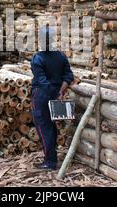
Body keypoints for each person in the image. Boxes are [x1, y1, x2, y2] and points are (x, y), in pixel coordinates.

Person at [30, 26, 74, 170]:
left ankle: (50, 162)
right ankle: (51, 157)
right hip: (57, 93)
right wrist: (60, 91)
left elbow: (42, 81)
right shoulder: (61, 56)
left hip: (41, 96)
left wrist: (54, 93)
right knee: (51, 127)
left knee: (44, 127)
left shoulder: (38, 58)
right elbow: (68, 76)